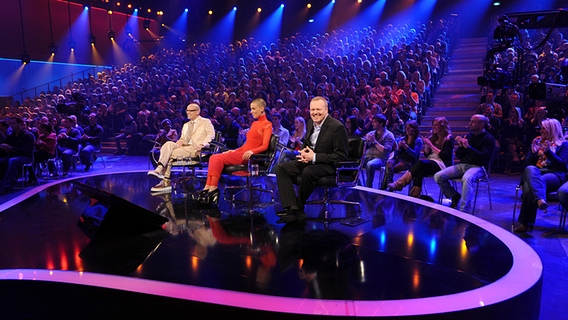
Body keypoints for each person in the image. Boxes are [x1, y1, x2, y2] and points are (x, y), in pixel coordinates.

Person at [275, 96, 349, 223]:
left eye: (318, 109)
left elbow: (341, 155)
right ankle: (291, 207)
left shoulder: (337, 127)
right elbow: (308, 143)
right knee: (281, 168)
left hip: (328, 165)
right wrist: (304, 152)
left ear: (326, 109)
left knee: (308, 171)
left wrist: (314, 157)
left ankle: (299, 207)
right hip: (309, 161)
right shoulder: (310, 123)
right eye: (312, 109)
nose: (315, 112)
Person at [198, 98, 273, 203]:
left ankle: (213, 188)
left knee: (217, 158)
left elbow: (264, 146)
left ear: (262, 109)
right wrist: (233, 151)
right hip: (243, 153)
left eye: (253, 109)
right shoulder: (254, 124)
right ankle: (208, 187)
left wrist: (252, 152)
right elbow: (247, 144)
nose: (251, 111)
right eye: (251, 109)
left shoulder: (267, 125)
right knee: (214, 157)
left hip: (251, 156)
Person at [514, 118, 568, 233]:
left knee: (530, 188)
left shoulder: (564, 145)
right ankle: (539, 200)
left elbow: (563, 165)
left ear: (551, 130)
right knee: (530, 169)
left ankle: (526, 223)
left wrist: (548, 151)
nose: (541, 131)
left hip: (554, 174)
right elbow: (526, 164)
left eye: (544, 129)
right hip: (536, 173)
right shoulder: (537, 143)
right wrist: (534, 152)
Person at [434, 114, 496, 213]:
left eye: (473, 122)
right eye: (470, 121)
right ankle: (454, 196)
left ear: (481, 125)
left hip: (478, 167)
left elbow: (484, 157)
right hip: (463, 165)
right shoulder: (469, 136)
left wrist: (468, 147)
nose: (469, 123)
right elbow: (459, 155)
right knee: (438, 176)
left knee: (467, 179)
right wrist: (461, 145)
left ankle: (464, 210)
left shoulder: (489, 139)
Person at [148, 103, 215, 193]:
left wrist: (204, 144)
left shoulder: (205, 122)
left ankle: (165, 180)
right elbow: (182, 139)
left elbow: (211, 135)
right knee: (168, 144)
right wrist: (176, 145)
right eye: (187, 110)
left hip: (196, 149)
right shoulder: (186, 125)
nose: (188, 112)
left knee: (170, 154)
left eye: (190, 111)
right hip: (184, 147)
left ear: (198, 112)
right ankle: (160, 170)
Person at [387, 117, 454, 197]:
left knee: (420, 163)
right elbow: (427, 155)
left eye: (436, 125)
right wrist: (426, 146)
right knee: (419, 173)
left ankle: (399, 183)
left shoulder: (448, 139)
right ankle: (414, 196)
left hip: (442, 164)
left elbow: (445, 157)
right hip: (432, 162)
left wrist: (431, 146)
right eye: (433, 125)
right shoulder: (433, 138)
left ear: (443, 126)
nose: (434, 127)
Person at [381, 120, 423, 190]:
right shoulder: (402, 139)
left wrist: (406, 146)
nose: (407, 130)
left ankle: (385, 188)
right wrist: (398, 147)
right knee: (389, 163)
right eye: (406, 128)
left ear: (414, 129)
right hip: (398, 159)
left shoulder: (418, 140)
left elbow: (414, 154)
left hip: (409, 161)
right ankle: (389, 184)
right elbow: (396, 153)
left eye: (409, 128)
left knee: (390, 169)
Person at [0, 116, 35, 194]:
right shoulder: (11, 136)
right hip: (14, 156)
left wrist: (10, 148)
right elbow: (6, 145)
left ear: (20, 124)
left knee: (12, 161)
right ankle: (2, 182)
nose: (12, 125)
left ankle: (6, 185)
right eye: (11, 124)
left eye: (14, 123)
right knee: (2, 161)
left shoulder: (27, 136)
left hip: (26, 157)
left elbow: (25, 151)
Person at [363, 114, 395, 188]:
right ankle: (358, 185)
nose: (372, 123)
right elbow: (364, 147)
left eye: (374, 122)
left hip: (381, 158)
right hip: (368, 155)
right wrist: (365, 141)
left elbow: (385, 150)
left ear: (381, 123)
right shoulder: (371, 133)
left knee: (370, 164)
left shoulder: (389, 135)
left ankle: (368, 187)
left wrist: (374, 141)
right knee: (354, 162)